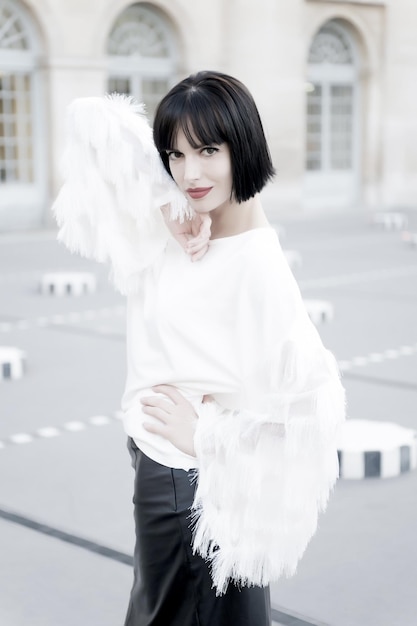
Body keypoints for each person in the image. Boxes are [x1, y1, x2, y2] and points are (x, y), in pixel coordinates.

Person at [53, 71, 345, 626]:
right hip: (167, 468)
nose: (190, 173)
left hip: (190, 483)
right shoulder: (184, 218)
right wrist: (165, 201)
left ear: (244, 145)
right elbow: (90, 120)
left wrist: (207, 436)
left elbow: (316, 411)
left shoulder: (257, 266)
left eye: (209, 150)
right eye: (175, 154)